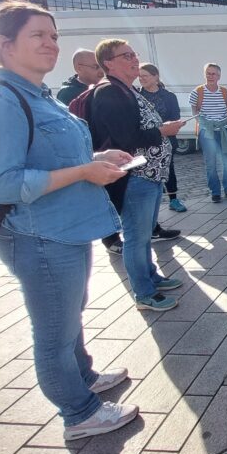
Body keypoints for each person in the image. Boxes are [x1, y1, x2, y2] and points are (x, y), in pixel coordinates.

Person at [0, 1, 138, 440]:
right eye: (37, 35)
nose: (50, 43)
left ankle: (85, 379)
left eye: (54, 35)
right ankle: (79, 413)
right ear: (4, 44)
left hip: (65, 230)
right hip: (38, 237)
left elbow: (48, 156)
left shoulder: (38, 96)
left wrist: (94, 158)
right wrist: (83, 172)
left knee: (70, 317)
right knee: (55, 333)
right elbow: (0, 183)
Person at [90, 39, 186, 312]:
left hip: (150, 175)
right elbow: (126, 138)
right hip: (135, 177)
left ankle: (151, 276)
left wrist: (161, 129)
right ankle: (144, 293)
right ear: (108, 62)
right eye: (126, 56)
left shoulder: (126, 90)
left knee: (145, 235)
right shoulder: (109, 92)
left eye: (135, 54)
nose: (134, 60)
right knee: (136, 236)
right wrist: (162, 132)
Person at [139, 63, 187, 212]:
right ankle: (149, 203)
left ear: (156, 77)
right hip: (146, 141)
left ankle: (173, 199)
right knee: (145, 171)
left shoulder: (169, 96)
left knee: (168, 168)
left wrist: (170, 125)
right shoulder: (137, 96)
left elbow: (175, 116)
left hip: (166, 139)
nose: (141, 79)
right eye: (139, 76)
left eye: (145, 76)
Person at [189, 63, 227, 203]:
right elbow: (195, 113)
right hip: (207, 132)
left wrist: (220, 123)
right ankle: (215, 192)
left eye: (213, 73)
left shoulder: (225, 92)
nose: (210, 76)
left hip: (224, 130)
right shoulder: (197, 92)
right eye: (208, 73)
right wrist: (207, 124)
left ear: (219, 76)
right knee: (211, 163)